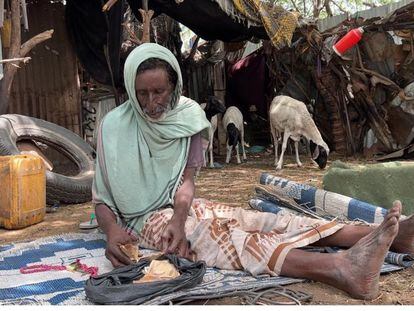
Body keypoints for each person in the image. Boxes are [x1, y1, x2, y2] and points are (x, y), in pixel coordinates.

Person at [93, 43, 414, 300]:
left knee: (260, 220)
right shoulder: (113, 128)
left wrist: (179, 218)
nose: (150, 103)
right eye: (142, 93)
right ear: (130, 90)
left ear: (174, 86)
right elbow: (101, 199)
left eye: (159, 92)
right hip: (141, 220)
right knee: (210, 237)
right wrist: (111, 232)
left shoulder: (189, 117)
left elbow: (187, 182)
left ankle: (394, 237)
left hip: (181, 204)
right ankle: (338, 268)